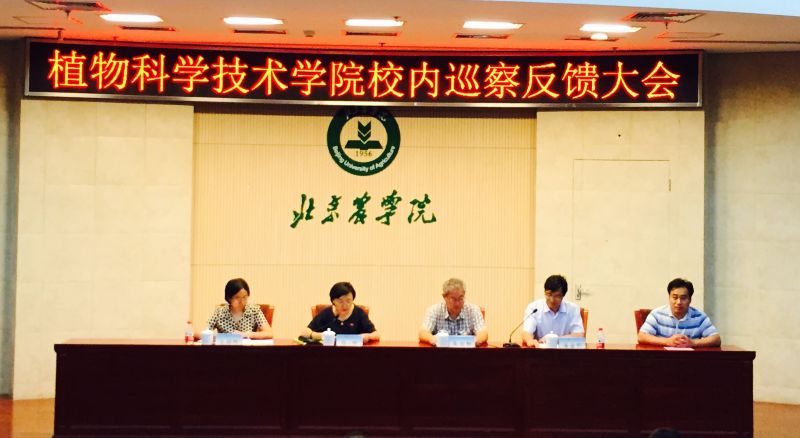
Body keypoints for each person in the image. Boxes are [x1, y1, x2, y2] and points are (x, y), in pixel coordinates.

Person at [638, 278, 721, 347]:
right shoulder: (657, 314)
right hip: (662, 359)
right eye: (675, 297)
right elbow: (642, 336)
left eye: (683, 298)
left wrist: (693, 343)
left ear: (690, 300)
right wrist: (667, 341)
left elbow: (716, 339)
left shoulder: (699, 317)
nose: (678, 302)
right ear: (669, 298)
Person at [301, 282, 380, 343]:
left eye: (348, 301)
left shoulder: (359, 313)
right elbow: (305, 333)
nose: (345, 306)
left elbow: (376, 335)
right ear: (333, 301)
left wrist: (367, 336)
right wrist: (319, 336)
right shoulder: (326, 313)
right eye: (340, 301)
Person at [419, 278, 488, 345]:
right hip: (441, 351)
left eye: (461, 298)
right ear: (444, 297)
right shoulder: (434, 310)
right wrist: (433, 339)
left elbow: (483, 333)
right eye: (453, 299)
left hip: (466, 351)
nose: (457, 303)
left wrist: (475, 341)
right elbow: (423, 332)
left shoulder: (473, 310)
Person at [521, 274, 584, 347]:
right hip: (540, 351)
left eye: (557, 296)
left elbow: (579, 335)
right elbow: (526, 331)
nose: (552, 300)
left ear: (563, 295)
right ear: (544, 292)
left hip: (564, 352)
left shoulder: (572, 309)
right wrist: (529, 340)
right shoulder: (534, 308)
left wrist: (554, 340)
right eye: (549, 294)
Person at [205, 278, 273, 339]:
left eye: (244, 297)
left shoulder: (254, 310)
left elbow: (269, 333)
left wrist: (245, 334)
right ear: (229, 298)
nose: (241, 301)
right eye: (237, 297)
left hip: (247, 348)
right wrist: (219, 335)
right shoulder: (219, 312)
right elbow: (202, 332)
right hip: (226, 348)